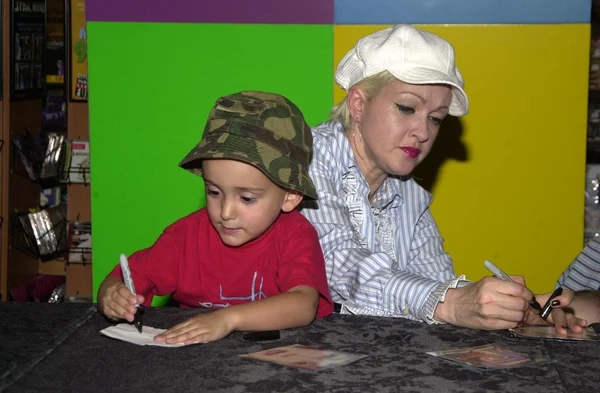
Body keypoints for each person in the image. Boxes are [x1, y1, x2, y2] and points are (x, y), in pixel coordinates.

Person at [300, 24, 584, 331]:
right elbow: (339, 268)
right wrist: (452, 303)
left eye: (435, 119)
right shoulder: (307, 157)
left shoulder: (408, 192)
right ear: (358, 103)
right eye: (407, 108)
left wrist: (513, 310)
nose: (423, 133)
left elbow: (434, 284)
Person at [97, 91, 333, 344]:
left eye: (247, 198)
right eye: (214, 192)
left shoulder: (295, 235)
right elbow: (119, 280)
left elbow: (303, 304)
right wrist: (112, 296)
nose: (225, 212)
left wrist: (227, 319)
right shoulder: (184, 237)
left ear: (290, 196)